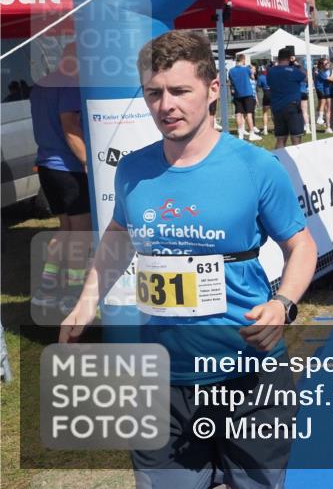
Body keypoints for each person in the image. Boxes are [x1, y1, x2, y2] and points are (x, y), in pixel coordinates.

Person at [61, 30, 317, 489]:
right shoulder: (133, 169)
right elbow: (119, 236)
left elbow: (301, 245)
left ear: (213, 89)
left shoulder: (255, 167)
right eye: (153, 93)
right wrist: (86, 300)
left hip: (249, 371)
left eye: (180, 91)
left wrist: (283, 305)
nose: (166, 106)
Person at [29, 42, 91, 313]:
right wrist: (88, 162)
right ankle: (73, 294)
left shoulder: (41, 84)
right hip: (69, 169)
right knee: (81, 234)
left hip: (46, 166)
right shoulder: (70, 83)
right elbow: (70, 126)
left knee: (65, 230)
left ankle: (46, 289)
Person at [268, 46, 307, 149]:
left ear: (278, 58)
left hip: (277, 107)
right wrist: (296, 64)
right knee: (296, 137)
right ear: (290, 58)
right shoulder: (293, 70)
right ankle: (297, 162)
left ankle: (279, 161)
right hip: (292, 106)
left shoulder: (271, 71)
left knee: (280, 138)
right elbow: (305, 76)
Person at [228, 54, 261, 141]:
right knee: (249, 114)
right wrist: (250, 69)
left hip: (237, 94)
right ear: (243, 60)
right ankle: (251, 134)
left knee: (238, 113)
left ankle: (240, 134)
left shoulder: (230, 71)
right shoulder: (246, 69)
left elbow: (231, 83)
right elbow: (252, 77)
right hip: (247, 93)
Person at [256, 64, 271, 135]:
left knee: (265, 112)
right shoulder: (272, 75)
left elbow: (258, 87)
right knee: (275, 113)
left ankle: (265, 130)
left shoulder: (261, 77)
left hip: (266, 94)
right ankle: (278, 128)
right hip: (274, 94)